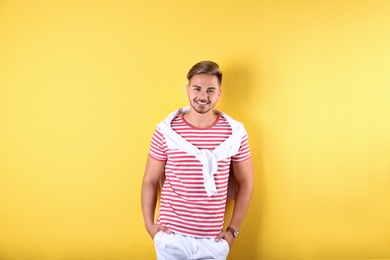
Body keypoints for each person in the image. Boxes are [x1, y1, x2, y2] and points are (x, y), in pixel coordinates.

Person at [141, 61, 253, 260]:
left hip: (213, 242)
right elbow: (150, 180)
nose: (203, 96)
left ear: (219, 93)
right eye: (197, 88)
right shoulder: (166, 131)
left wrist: (232, 233)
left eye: (210, 90)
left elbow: (245, 183)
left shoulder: (234, 134)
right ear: (187, 89)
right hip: (170, 237)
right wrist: (150, 226)